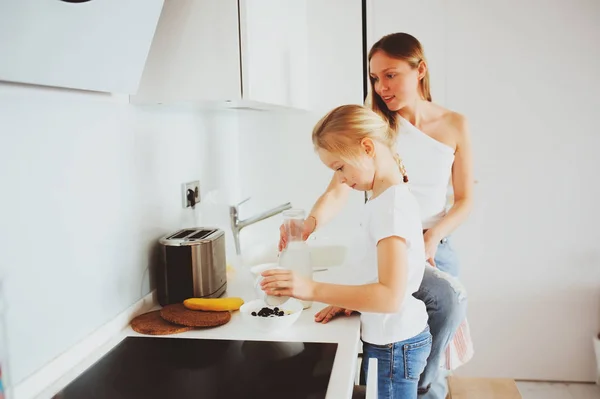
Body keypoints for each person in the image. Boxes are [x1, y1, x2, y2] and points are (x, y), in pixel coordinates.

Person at [278, 32, 474, 399]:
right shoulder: (373, 126)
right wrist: (310, 226)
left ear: (420, 70)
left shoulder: (454, 125)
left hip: (433, 245)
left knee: (432, 352)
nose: (380, 86)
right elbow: (337, 188)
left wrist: (430, 238)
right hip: (391, 246)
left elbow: (464, 199)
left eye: (390, 75)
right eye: (374, 77)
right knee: (397, 349)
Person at [262, 104, 432, 398]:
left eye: (340, 167)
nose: (340, 178)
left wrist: (311, 288)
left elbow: (390, 297)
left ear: (367, 148)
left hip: (395, 345)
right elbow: (382, 282)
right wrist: (353, 300)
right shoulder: (383, 199)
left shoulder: (390, 207)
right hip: (390, 340)